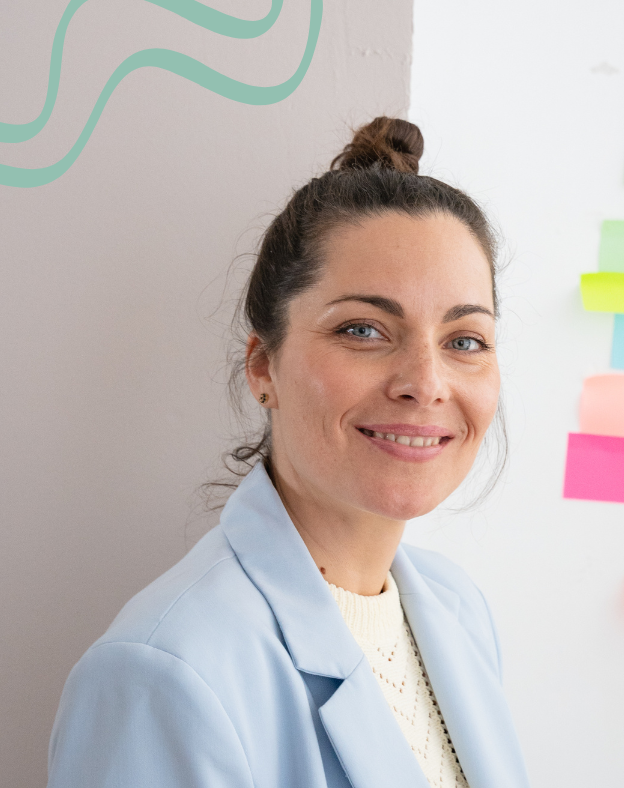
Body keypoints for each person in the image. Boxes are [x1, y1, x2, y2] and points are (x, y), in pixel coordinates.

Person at [47, 117, 529, 788]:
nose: (425, 383)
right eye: (364, 330)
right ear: (264, 366)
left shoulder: (457, 609)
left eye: (465, 340)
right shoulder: (165, 671)